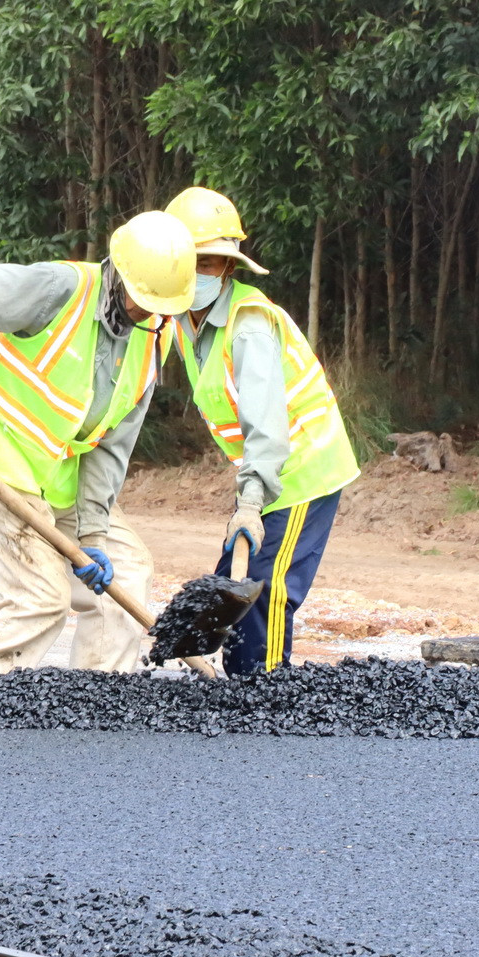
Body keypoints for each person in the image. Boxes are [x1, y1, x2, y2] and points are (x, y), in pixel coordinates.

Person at [0, 212, 196, 676]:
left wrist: (93, 536)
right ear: (117, 272)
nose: (147, 312)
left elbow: (111, 445)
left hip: (60, 476)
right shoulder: (58, 289)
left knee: (127, 572)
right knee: (40, 599)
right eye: (140, 299)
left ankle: (95, 701)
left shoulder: (155, 337)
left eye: (159, 305)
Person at [162, 186, 361, 675]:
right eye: (192, 263)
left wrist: (250, 503)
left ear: (228, 268)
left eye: (210, 264)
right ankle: (233, 676)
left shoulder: (247, 325)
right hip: (264, 469)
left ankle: (265, 692)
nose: (200, 274)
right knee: (237, 575)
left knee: (269, 585)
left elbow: (268, 426)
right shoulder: (183, 320)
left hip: (300, 467)